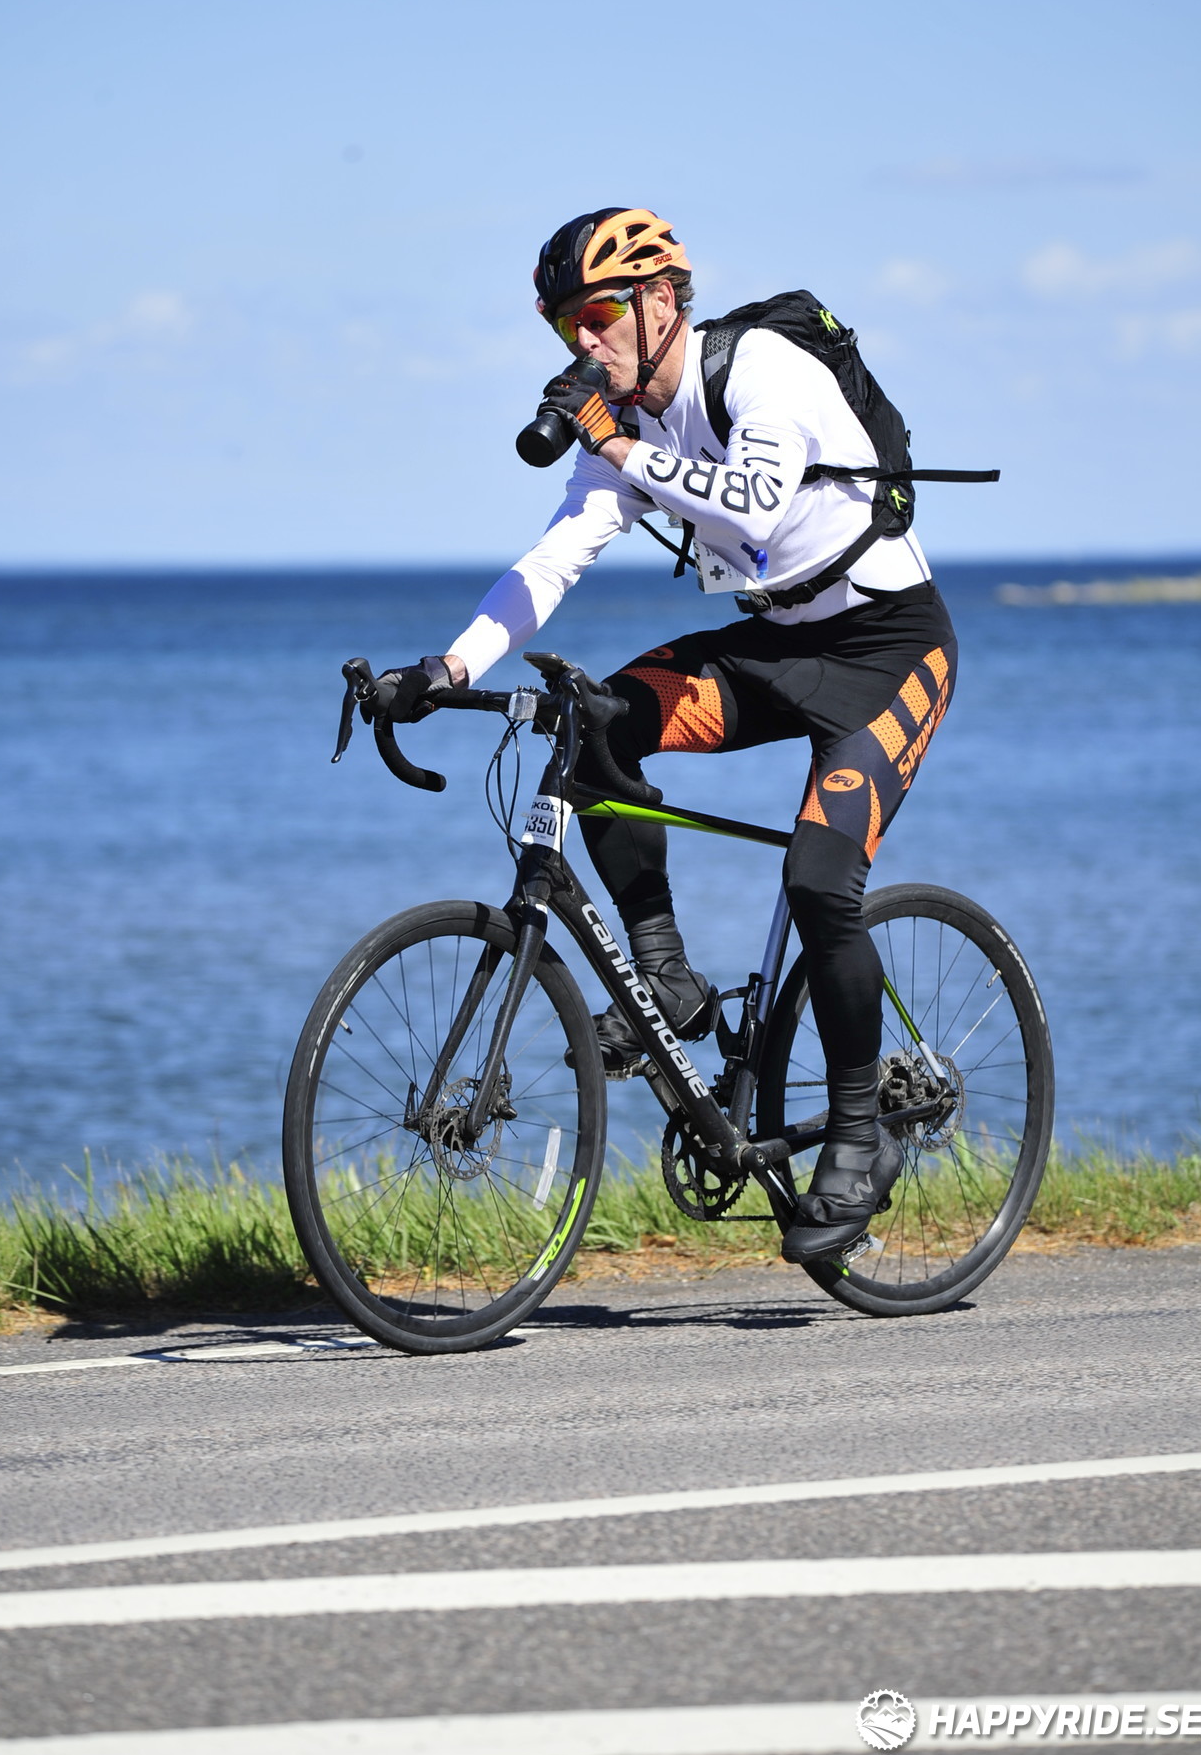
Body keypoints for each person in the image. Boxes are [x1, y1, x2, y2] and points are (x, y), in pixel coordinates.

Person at [372, 208, 958, 1264]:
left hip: (888, 651)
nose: (583, 342)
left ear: (658, 301)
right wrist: (449, 666)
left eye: (597, 315)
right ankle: (667, 977)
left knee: (820, 882)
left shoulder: (762, 369)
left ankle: (860, 1134)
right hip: (774, 646)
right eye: (564, 328)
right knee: (593, 721)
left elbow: (758, 509)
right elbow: (554, 559)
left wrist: (617, 444)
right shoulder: (630, 430)